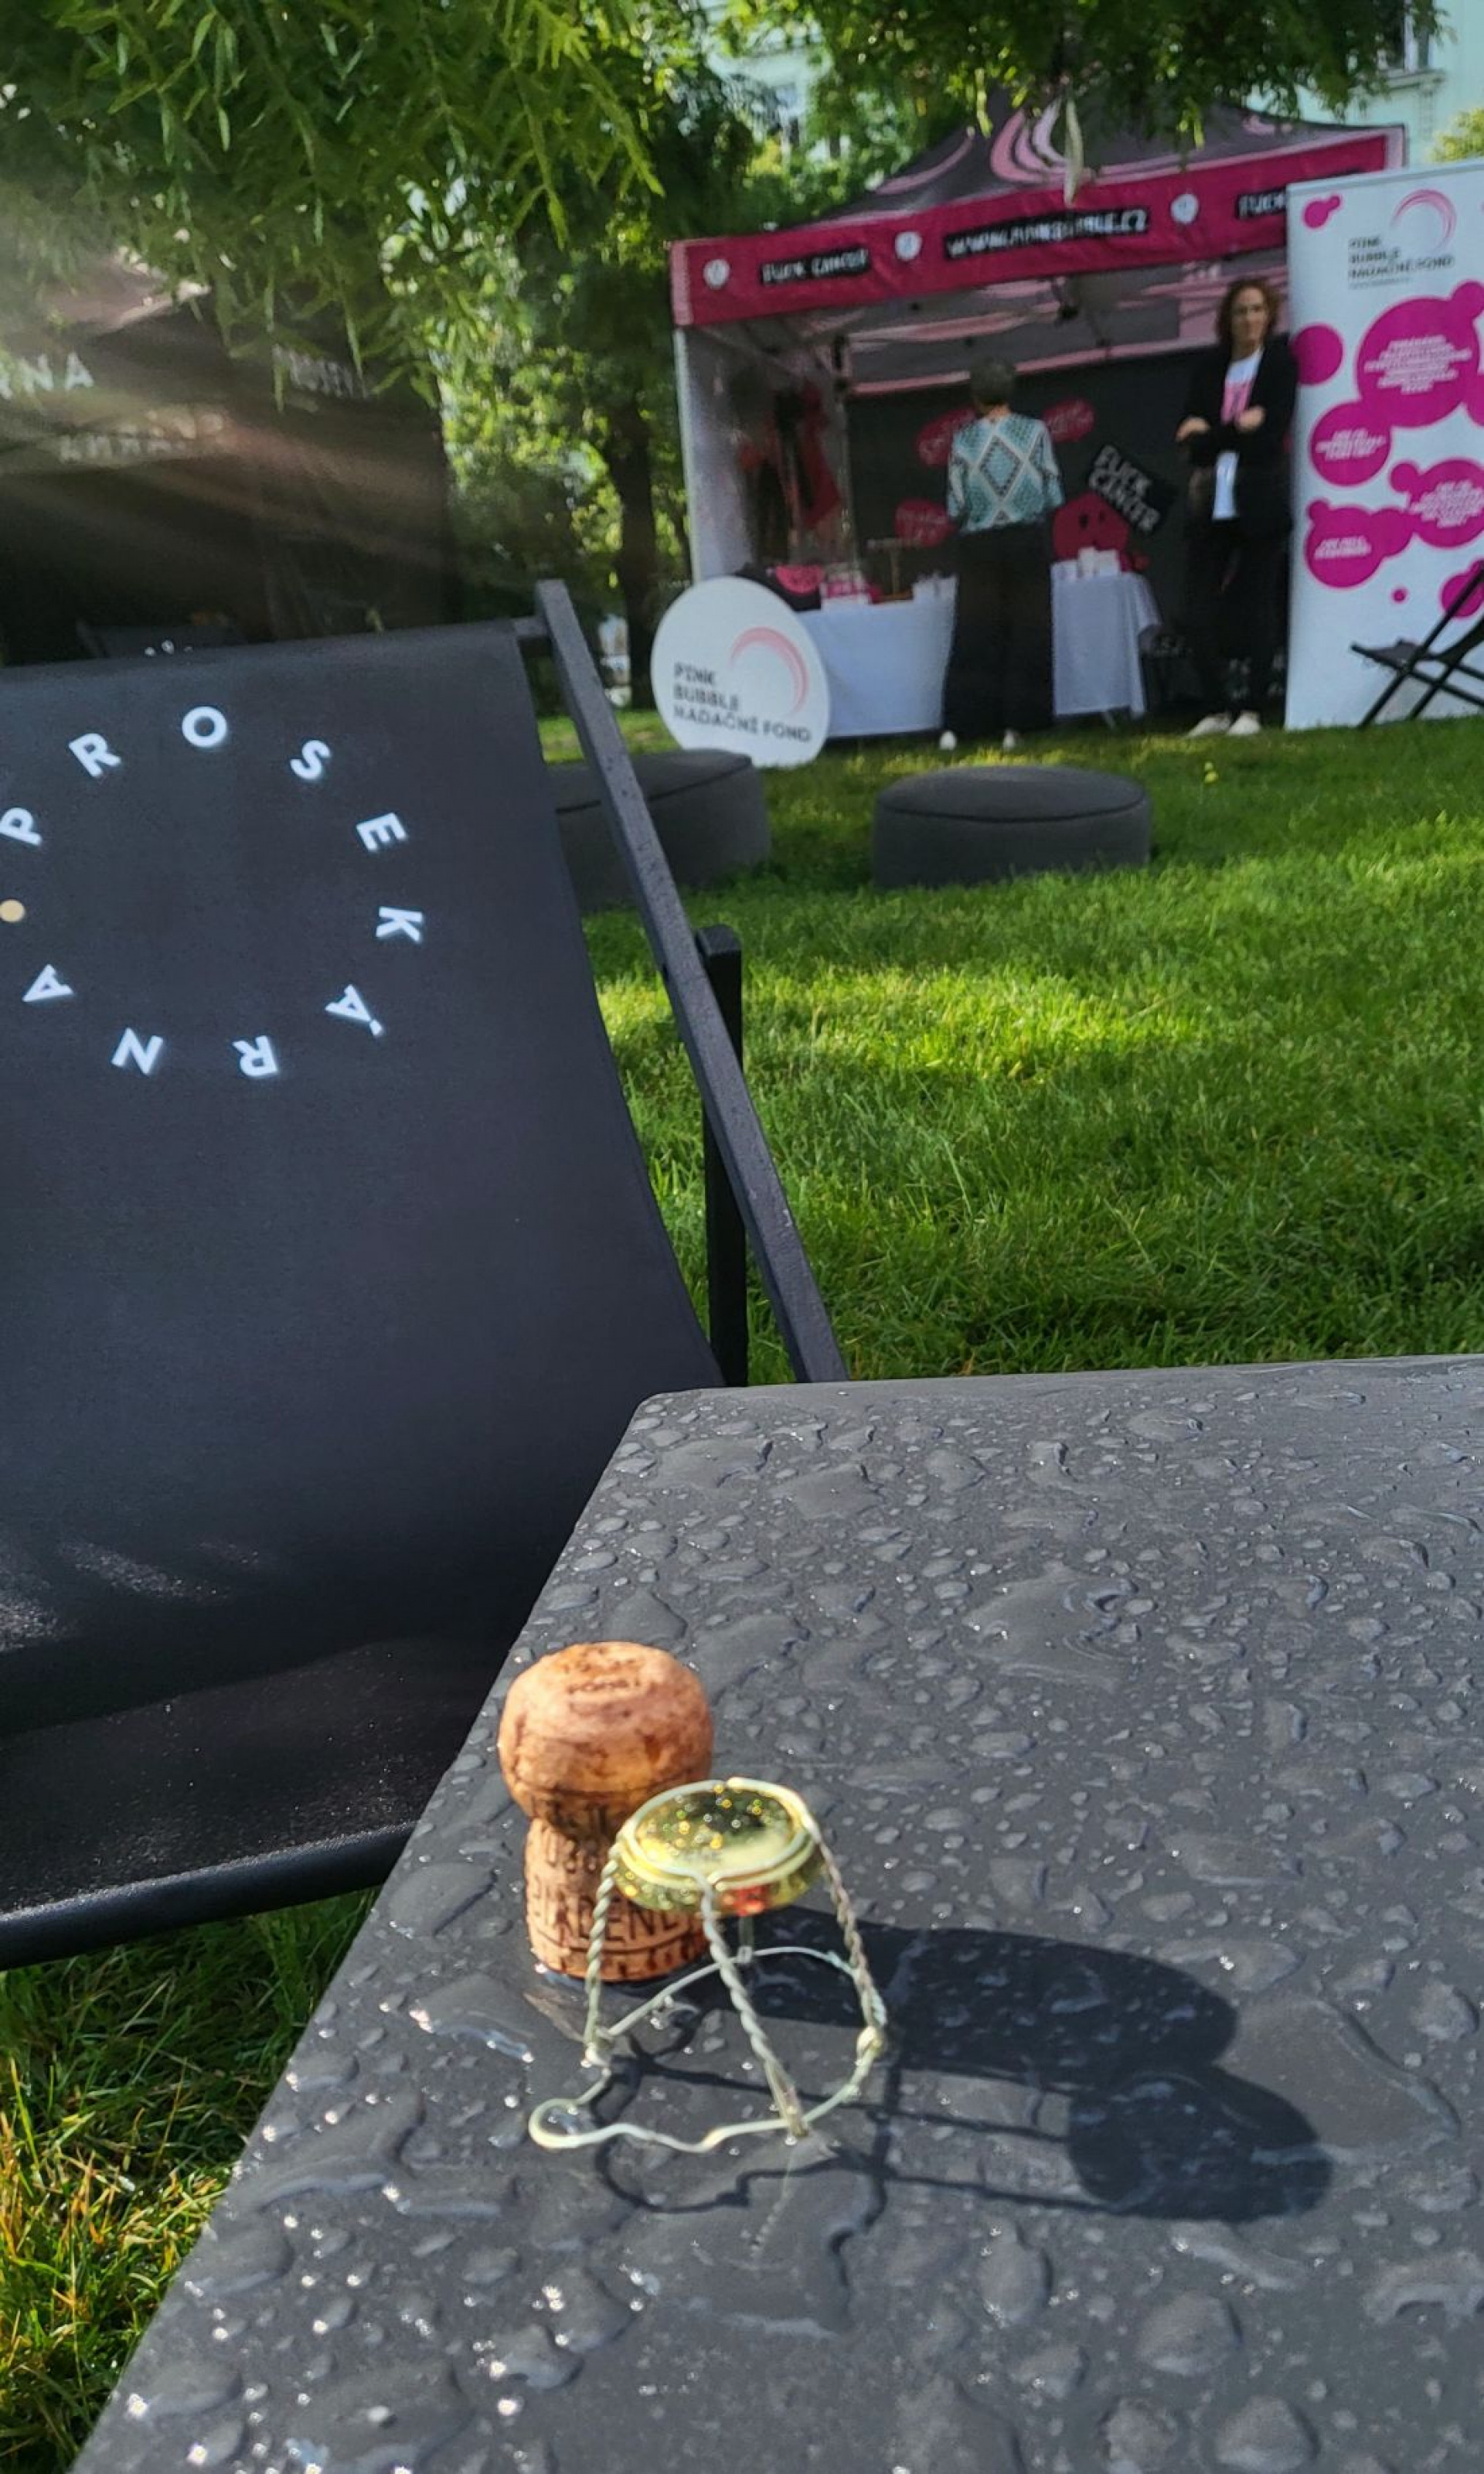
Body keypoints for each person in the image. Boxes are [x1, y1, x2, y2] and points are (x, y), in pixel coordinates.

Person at [1176, 277, 1297, 740]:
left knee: (1259, 606)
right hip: (1210, 502)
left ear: (1269, 316)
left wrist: (1211, 434)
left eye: (1257, 310)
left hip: (1260, 500)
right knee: (1196, 609)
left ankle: (1252, 709)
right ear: (1228, 318)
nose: (1249, 319)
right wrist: (1235, 429)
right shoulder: (1209, 368)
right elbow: (1191, 446)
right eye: (1241, 311)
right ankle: (1216, 706)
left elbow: (1269, 437)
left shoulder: (1280, 365)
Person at [938, 356, 1064, 753]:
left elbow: (956, 506)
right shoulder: (1036, 432)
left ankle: (961, 726)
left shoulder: (963, 441)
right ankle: (1018, 725)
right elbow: (1054, 494)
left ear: (974, 396)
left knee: (975, 633)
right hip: (1026, 541)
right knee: (1028, 630)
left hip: (979, 547)